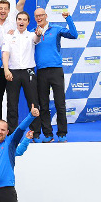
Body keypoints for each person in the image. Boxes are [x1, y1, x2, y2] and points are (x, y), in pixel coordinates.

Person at [0, 0, 32, 119]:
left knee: (12, 100)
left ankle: (12, 127)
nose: (3, 11)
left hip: (13, 67)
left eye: (5, 8)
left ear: (9, 11)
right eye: (0, 8)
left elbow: (21, 2)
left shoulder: (14, 22)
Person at [34, 8, 78, 142]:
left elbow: (74, 34)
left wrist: (68, 18)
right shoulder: (32, 32)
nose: (39, 18)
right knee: (43, 105)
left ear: (46, 16)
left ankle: (62, 133)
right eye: (36, 16)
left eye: (41, 15)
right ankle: (48, 134)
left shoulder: (56, 29)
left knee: (60, 103)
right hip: (41, 71)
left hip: (56, 70)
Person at [1, 12, 40, 134]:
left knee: (33, 102)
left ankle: (35, 133)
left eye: (24, 19)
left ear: (28, 22)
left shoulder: (32, 35)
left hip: (28, 71)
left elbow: (37, 39)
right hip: (13, 72)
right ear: (16, 21)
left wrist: (39, 34)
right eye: (19, 19)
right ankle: (12, 133)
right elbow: (5, 53)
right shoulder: (9, 36)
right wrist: (6, 69)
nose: (21, 22)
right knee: (12, 104)